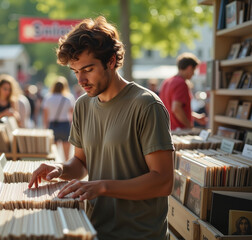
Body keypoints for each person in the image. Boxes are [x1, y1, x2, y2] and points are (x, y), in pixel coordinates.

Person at [28, 16, 174, 240]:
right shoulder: (83, 105)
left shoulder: (146, 105)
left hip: (139, 234)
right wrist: (60, 169)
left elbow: (163, 181)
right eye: (75, 72)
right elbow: (81, 163)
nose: (81, 80)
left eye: (88, 69)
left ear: (111, 61)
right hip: (93, 228)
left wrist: (102, 187)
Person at [159, 53, 207, 130]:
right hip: (179, 130)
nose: (193, 74)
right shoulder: (181, 83)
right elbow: (176, 109)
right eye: (194, 70)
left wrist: (195, 117)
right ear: (189, 68)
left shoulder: (166, 82)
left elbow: (172, 108)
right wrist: (189, 126)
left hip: (167, 129)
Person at [42, 76, 74, 160]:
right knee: (67, 156)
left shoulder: (48, 98)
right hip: (65, 125)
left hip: (53, 125)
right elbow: (72, 114)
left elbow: (45, 115)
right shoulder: (68, 98)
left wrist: (45, 127)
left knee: (53, 154)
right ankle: (67, 172)